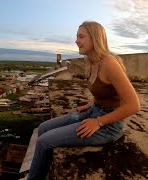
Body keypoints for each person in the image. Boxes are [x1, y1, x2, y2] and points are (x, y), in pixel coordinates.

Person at [27, 21, 141, 180]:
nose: (76, 40)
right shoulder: (93, 61)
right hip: (92, 112)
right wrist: (90, 104)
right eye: (77, 36)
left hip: (108, 125)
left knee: (44, 141)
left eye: (81, 36)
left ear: (95, 38)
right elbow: (103, 92)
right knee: (44, 127)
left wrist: (99, 122)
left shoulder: (109, 63)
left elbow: (134, 105)